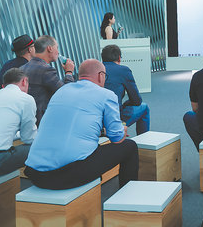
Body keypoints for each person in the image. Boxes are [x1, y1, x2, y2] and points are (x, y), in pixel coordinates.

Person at [24, 59, 138, 189]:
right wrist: (122, 130)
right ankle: (129, 196)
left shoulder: (61, 91)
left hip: (35, 173)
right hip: (63, 175)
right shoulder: (106, 95)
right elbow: (116, 138)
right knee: (130, 146)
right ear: (101, 76)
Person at [21, 35, 75, 125]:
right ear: (50, 48)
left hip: (28, 121)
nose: (58, 52)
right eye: (57, 48)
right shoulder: (45, 69)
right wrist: (69, 72)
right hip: (43, 122)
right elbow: (66, 94)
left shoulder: (22, 68)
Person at [102, 44, 150, 134]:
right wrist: (125, 104)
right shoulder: (123, 70)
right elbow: (137, 100)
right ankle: (143, 140)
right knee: (144, 107)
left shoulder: (94, 71)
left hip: (95, 122)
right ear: (119, 58)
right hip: (114, 120)